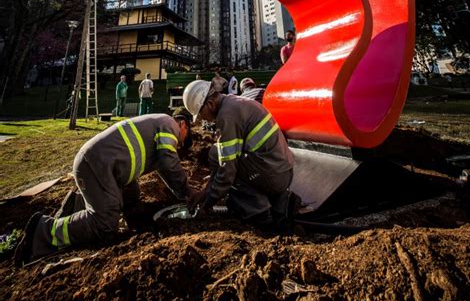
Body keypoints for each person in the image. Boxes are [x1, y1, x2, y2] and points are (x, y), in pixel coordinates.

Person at [14, 109, 194, 266]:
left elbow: (164, 166)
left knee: (132, 195)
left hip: (106, 167)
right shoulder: (170, 124)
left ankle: (81, 206)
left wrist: (180, 194)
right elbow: (169, 162)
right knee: (105, 223)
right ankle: (45, 231)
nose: (178, 146)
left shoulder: (159, 123)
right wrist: (189, 193)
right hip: (96, 165)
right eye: (182, 142)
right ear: (183, 125)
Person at [183, 80, 295, 230]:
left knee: (229, 171)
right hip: (279, 170)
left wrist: (208, 203)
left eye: (202, 115)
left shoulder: (227, 116)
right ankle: (274, 203)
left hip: (274, 175)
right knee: (217, 153)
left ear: (209, 104)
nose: (204, 120)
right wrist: (206, 191)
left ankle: (260, 215)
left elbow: (227, 170)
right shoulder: (232, 103)